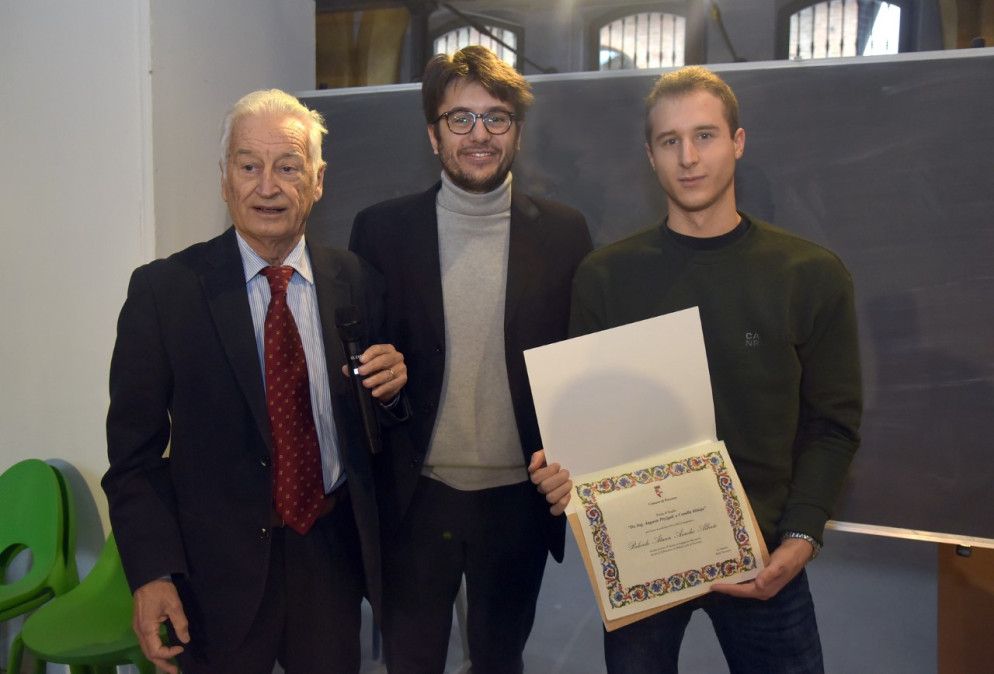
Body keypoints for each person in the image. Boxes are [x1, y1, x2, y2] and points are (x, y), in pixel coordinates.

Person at [530, 66, 862, 673]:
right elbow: (589, 421)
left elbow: (833, 423)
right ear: (650, 157)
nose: (688, 157)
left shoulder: (809, 275)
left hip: (768, 553)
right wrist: (561, 469)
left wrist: (802, 537)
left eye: (705, 136)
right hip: (642, 556)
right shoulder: (605, 278)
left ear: (738, 142)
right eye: (670, 141)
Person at [102, 89, 408, 674]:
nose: (267, 186)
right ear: (224, 179)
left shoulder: (358, 281)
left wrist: (393, 391)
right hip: (213, 573)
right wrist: (152, 572)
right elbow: (132, 456)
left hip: (330, 553)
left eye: (288, 167)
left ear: (317, 181)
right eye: (249, 166)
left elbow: (379, 428)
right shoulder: (164, 292)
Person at [349, 46, 592, 673]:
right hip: (415, 496)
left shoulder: (565, 233)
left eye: (496, 117)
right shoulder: (380, 232)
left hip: (518, 500)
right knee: (411, 662)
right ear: (434, 135)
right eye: (460, 118)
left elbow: (581, 362)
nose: (479, 134)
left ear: (517, 132)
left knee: (499, 660)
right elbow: (357, 366)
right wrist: (381, 374)